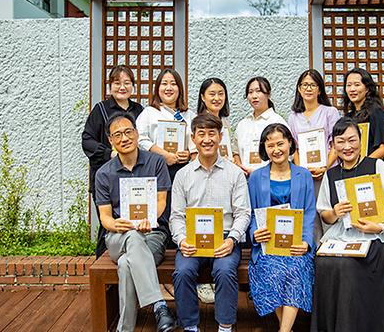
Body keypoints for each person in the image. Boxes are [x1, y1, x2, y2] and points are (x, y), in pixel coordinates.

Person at [311, 117, 384, 332]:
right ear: (333, 145)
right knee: (324, 263)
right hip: (343, 234)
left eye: (352, 140)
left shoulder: (375, 165)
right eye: (340, 141)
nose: (347, 146)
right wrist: (335, 212)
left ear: (360, 141)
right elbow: (324, 214)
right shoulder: (331, 174)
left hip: (376, 237)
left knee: (346, 266)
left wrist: (379, 225)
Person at [169, 113, 251, 332]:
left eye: (212, 134)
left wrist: (233, 239)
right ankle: (190, 326)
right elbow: (176, 216)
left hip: (224, 238)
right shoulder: (183, 175)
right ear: (193, 139)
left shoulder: (235, 173)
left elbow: (243, 213)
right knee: (183, 272)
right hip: (192, 239)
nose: (207, 139)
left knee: (225, 272)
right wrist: (182, 240)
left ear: (220, 137)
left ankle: (225, 326)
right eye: (201, 134)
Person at [95, 112, 176, 332]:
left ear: (137, 133)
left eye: (128, 131)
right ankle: (159, 305)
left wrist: (148, 220)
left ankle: (125, 328)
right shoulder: (104, 173)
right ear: (111, 141)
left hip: (151, 234)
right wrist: (116, 225)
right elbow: (104, 217)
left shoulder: (156, 162)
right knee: (130, 235)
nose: (124, 138)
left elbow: (161, 202)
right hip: (117, 237)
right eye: (117, 135)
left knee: (125, 263)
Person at [248, 123, 315, 332]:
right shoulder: (256, 177)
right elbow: (250, 212)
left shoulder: (303, 175)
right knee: (271, 270)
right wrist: (254, 233)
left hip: (295, 244)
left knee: (296, 268)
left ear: (290, 144)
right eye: (270, 145)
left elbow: (310, 212)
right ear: (264, 148)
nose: (276, 150)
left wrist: (306, 242)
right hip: (267, 245)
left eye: (280, 143)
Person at [82, 65, 144, 258]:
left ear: (133, 86)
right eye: (117, 83)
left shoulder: (140, 110)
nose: (122, 87)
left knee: (133, 225)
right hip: (107, 180)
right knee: (107, 226)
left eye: (127, 83)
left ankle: (129, 265)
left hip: (134, 178)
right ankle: (103, 270)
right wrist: (109, 153)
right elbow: (87, 140)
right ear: (110, 86)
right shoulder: (100, 109)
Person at [136, 68, 196, 229]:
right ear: (157, 88)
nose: (169, 88)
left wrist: (188, 153)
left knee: (181, 203)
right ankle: (162, 237)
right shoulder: (149, 112)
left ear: (180, 89)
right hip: (156, 167)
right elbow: (140, 139)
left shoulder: (189, 114)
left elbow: (195, 140)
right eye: (164, 84)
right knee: (161, 204)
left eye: (173, 84)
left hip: (182, 168)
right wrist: (165, 155)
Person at [287, 69, 340, 242]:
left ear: (319, 89)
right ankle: (315, 252)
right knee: (311, 214)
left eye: (312, 85)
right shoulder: (293, 117)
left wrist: (325, 167)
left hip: (327, 172)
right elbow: (294, 148)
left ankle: (331, 249)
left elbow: (335, 143)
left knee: (329, 212)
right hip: (306, 174)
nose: (308, 89)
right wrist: (303, 171)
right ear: (299, 89)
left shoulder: (330, 112)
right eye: (304, 85)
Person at [236, 77, 287, 175]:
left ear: (268, 94)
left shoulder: (277, 122)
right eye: (250, 92)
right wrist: (240, 168)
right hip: (244, 180)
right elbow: (235, 152)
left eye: (258, 91)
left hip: (270, 179)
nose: (254, 96)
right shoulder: (242, 124)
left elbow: (287, 154)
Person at [344, 67, 384, 159]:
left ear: (367, 89)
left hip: (371, 170)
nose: (352, 89)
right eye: (349, 85)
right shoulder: (348, 117)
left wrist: (363, 165)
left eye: (357, 85)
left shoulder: (376, 111)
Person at [197, 77, 241, 166]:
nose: (217, 98)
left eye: (221, 94)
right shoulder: (198, 123)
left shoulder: (225, 121)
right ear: (203, 97)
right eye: (212, 94)